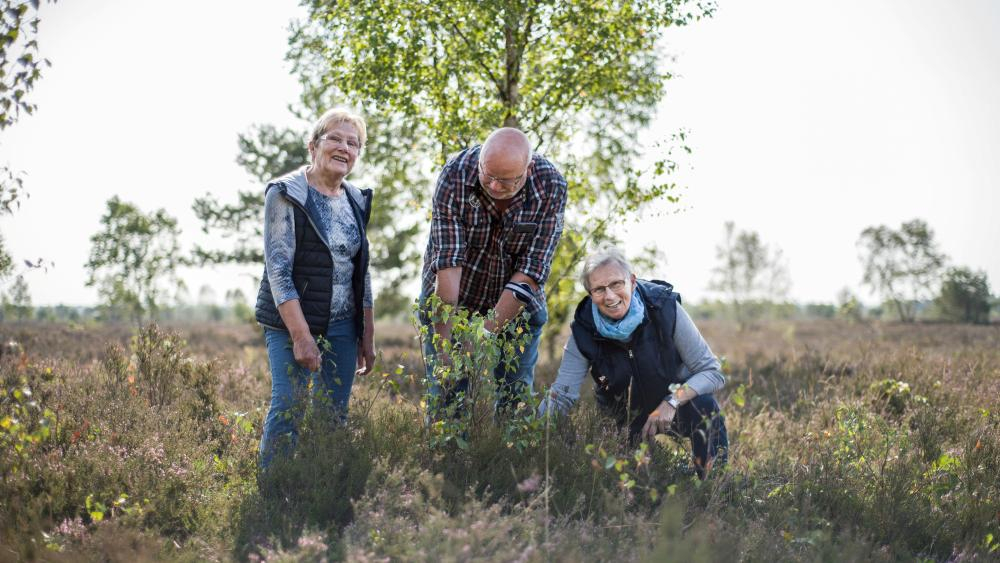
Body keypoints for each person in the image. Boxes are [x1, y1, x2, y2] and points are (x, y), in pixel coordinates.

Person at [254, 108, 375, 469]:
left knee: (333, 413)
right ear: (313, 146)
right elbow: (278, 270)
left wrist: (366, 334)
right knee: (289, 405)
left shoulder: (357, 198)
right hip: (292, 321)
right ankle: (273, 489)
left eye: (353, 143)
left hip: (342, 324)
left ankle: (319, 488)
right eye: (335, 138)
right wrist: (301, 336)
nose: (344, 148)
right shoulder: (285, 193)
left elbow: (361, 270)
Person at [540, 246, 729, 478]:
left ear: (632, 281)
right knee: (633, 482)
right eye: (599, 289)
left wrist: (671, 402)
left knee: (706, 406)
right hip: (623, 419)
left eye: (616, 284)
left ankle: (713, 482)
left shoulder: (664, 308)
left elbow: (712, 371)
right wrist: (529, 432)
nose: (609, 296)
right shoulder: (583, 331)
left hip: (674, 409)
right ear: (590, 294)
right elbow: (562, 394)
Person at [419, 127, 568, 415]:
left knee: (516, 400)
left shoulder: (551, 186)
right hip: (455, 296)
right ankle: (442, 457)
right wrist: (446, 351)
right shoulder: (456, 174)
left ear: (528, 168)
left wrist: (482, 337)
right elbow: (448, 263)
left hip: (517, 306)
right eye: (487, 175)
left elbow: (532, 270)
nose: (495, 187)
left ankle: (509, 457)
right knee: (447, 398)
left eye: (506, 180)